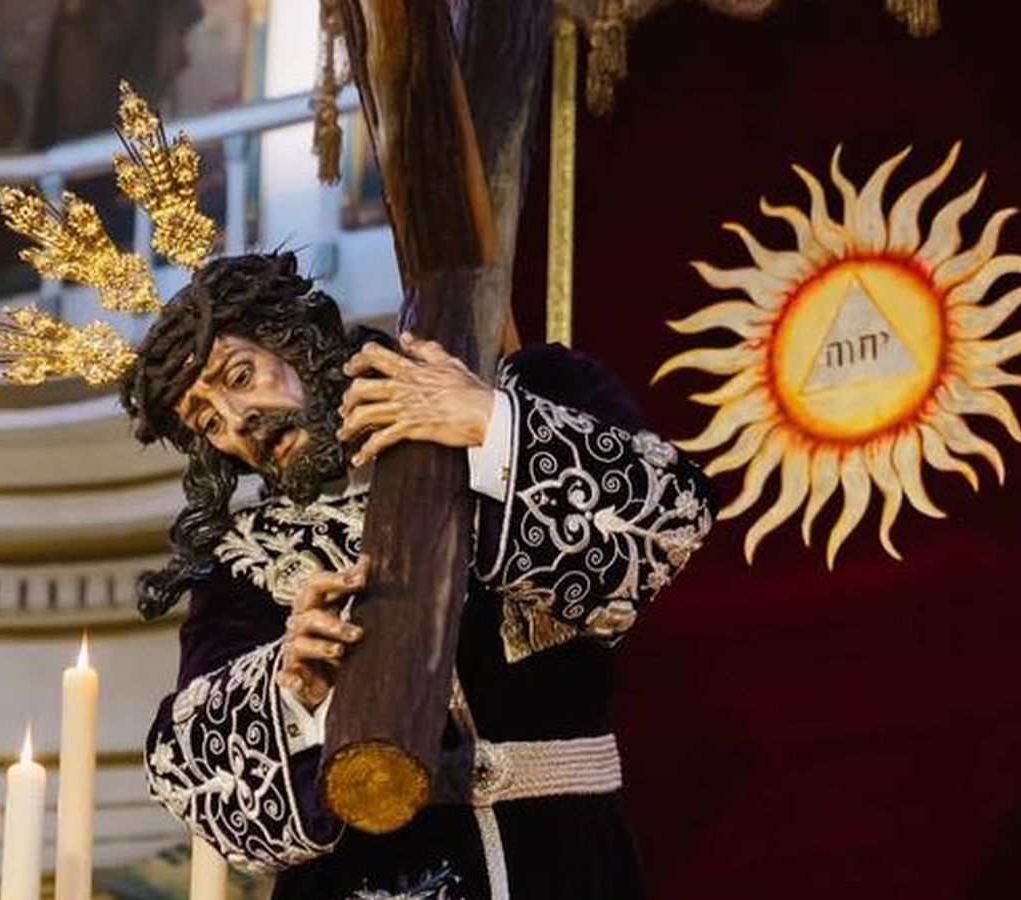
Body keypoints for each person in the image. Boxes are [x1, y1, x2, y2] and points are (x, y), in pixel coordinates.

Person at [127, 251, 715, 899]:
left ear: (291, 336)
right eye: (209, 422)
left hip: (564, 859)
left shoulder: (523, 399)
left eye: (241, 375)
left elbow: (668, 519)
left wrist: (487, 425)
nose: (238, 422)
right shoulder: (246, 562)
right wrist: (292, 691)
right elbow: (192, 778)